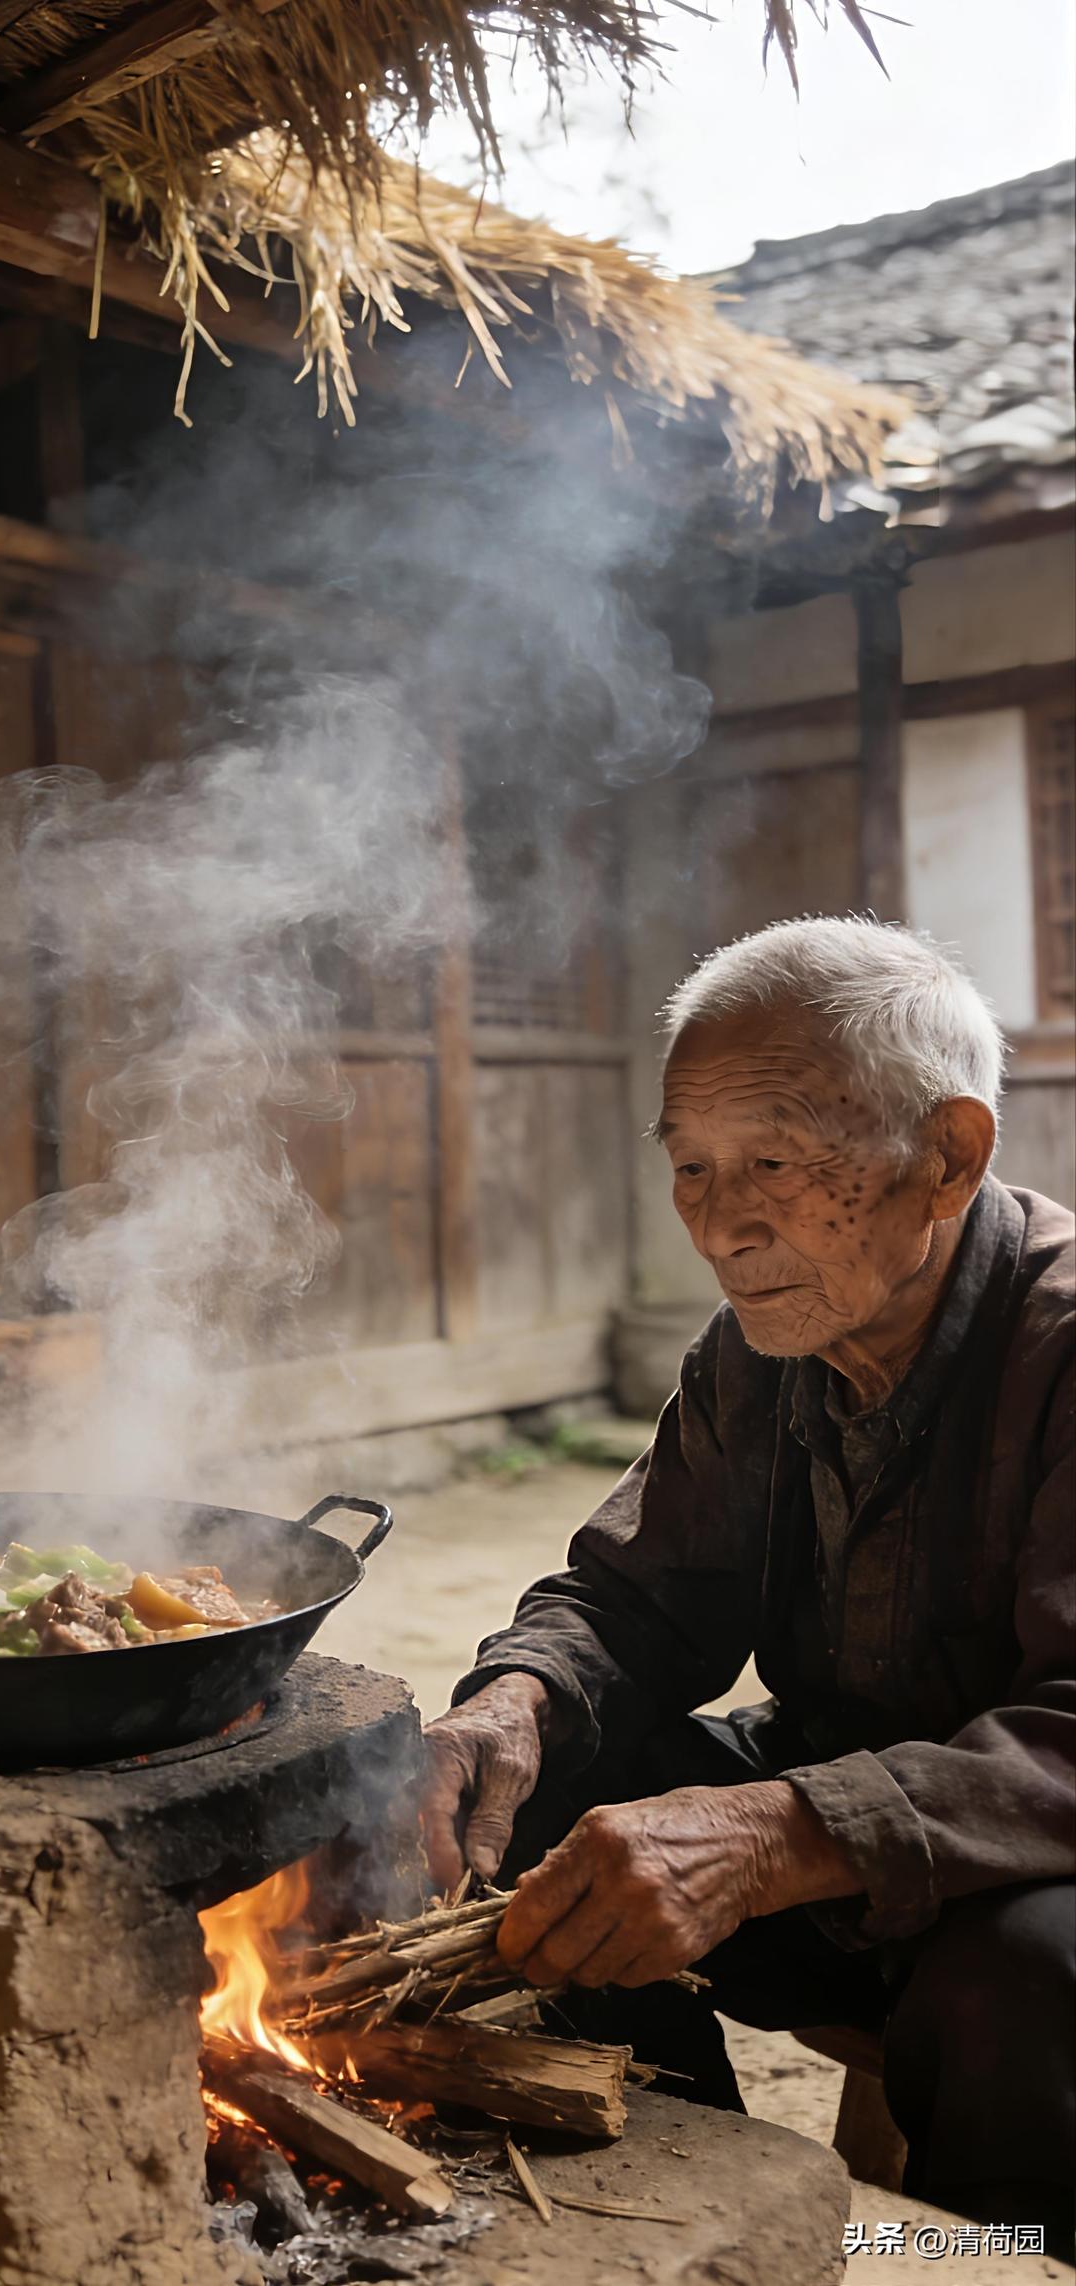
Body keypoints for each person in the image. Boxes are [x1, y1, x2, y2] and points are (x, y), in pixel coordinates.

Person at [423, 916, 1074, 2245]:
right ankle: (692, 2219)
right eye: (693, 1166)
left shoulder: (1064, 1345)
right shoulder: (763, 1345)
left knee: (1022, 1971)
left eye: (774, 1160)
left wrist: (780, 1831)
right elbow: (634, 1599)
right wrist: (516, 1699)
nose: (722, 1223)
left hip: (1029, 1867)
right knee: (542, 1810)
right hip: (843, 1816)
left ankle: (973, 2262)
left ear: (947, 1155)